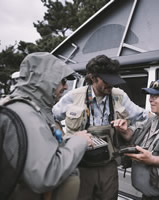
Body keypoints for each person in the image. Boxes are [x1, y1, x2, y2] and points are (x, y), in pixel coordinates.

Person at [52, 54, 148, 200]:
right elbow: (51, 119)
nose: (111, 85)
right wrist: (65, 139)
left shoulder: (119, 96)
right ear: (92, 78)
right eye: (107, 81)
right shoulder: (73, 96)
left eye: (113, 80)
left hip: (108, 165)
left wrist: (129, 130)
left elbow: (144, 117)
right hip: (80, 165)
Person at [5, 52, 94, 200]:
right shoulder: (26, 114)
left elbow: (38, 150)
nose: (66, 87)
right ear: (46, 80)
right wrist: (80, 142)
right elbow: (45, 175)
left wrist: (70, 140)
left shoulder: (31, 109)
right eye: (63, 81)